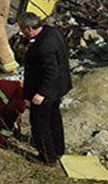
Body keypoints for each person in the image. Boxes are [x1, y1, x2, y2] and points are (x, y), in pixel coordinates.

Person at [19, 12, 71, 165]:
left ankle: (47, 157)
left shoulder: (44, 47)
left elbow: (51, 71)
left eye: (23, 29)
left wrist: (41, 93)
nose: (22, 32)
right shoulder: (52, 32)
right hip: (59, 87)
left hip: (46, 90)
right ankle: (58, 149)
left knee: (40, 124)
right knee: (54, 119)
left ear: (29, 28)